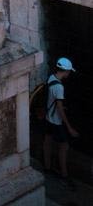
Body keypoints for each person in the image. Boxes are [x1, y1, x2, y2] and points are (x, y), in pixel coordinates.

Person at [43, 57, 78, 189]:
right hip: (56, 122)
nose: (69, 74)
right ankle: (64, 176)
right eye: (69, 71)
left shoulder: (51, 78)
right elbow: (59, 108)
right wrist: (69, 128)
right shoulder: (59, 87)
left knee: (47, 143)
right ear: (66, 71)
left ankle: (47, 168)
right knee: (64, 147)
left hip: (47, 119)